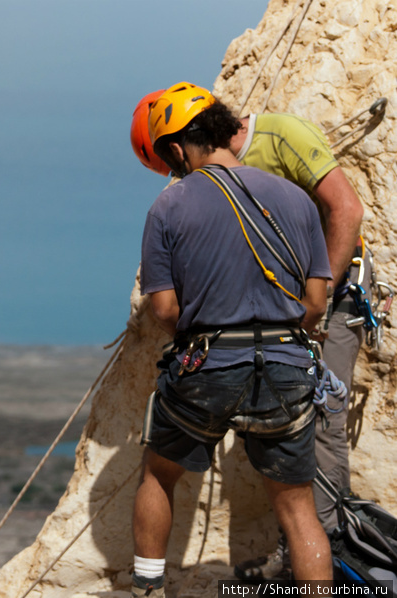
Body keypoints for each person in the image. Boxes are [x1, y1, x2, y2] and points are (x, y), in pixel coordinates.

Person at [131, 89, 366, 581]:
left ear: (176, 149)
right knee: (298, 509)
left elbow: (165, 309)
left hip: (208, 366)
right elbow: (316, 303)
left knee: (159, 473)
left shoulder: (168, 207)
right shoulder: (296, 200)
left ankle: (146, 591)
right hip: (284, 367)